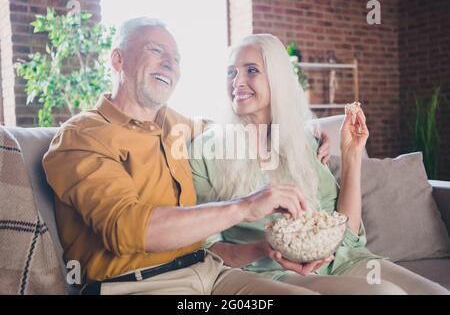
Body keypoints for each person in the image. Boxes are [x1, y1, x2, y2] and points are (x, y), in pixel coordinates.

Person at [42, 17, 337, 295]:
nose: (169, 63)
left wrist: (302, 133)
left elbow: (236, 126)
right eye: (156, 50)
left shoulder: (177, 125)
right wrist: (245, 207)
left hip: (210, 271)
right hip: (139, 284)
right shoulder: (81, 135)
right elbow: (128, 230)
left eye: (177, 59)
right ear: (118, 59)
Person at [189, 34, 449, 295]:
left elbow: (345, 233)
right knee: (386, 294)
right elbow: (205, 247)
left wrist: (351, 155)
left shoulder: (303, 141)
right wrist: (265, 247)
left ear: (277, 80)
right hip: (270, 272)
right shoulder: (205, 150)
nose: (237, 82)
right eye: (231, 72)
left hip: (342, 261)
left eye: (251, 70)